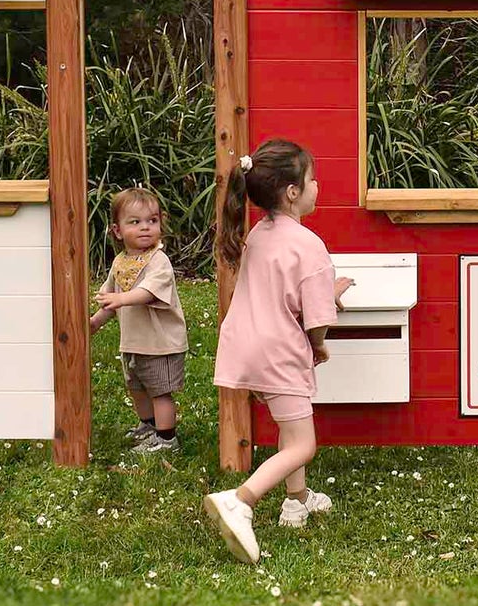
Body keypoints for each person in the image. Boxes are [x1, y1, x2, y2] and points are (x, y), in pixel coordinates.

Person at [201, 138, 354, 564]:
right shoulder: (309, 245)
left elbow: (283, 291)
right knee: (303, 444)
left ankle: (297, 499)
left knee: (291, 424)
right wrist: (319, 346)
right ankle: (241, 500)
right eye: (311, 180)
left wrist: (327, 291)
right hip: (279, 350)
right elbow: (316, 318)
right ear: (292, 192)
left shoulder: (259, 233)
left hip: (247, 345)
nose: (317, 185)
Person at [89, 188, 189, 454]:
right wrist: (95, 322)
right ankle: (149, 425)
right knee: (138, 389)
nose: (145, 227)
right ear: (118, 231)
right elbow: (111, 297)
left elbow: (147, 293)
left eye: (152, 221)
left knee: (159, 392)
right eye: (135, 222)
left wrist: (121, 300)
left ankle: (167, 440)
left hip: (160, 343)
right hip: (134, 342)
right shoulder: (121, 262)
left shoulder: (159, 261)